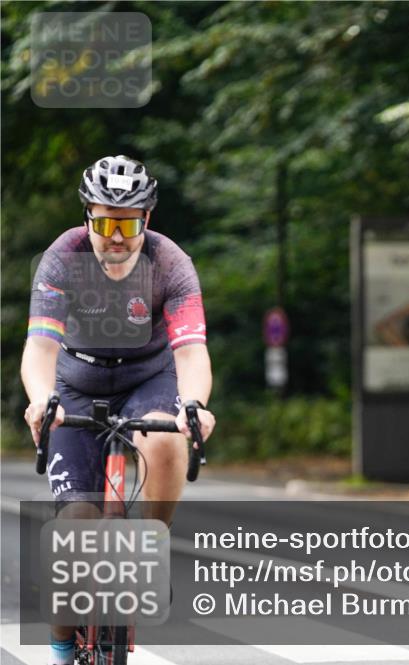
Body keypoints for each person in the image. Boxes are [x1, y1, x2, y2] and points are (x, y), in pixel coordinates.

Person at [20, 155, 216, 665]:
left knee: (167, 436)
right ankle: (63, 651)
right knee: (74, 534)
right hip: (76, 384)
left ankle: (152, 546)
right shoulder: (62, 258)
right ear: (87, 215)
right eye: (104, 223)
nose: (115, 237)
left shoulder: (170, 262)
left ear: (146, 219)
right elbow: (40, 347)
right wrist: (41, 399)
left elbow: (191, 351)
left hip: (148, 377)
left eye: (127, 225)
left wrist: (194, 404)